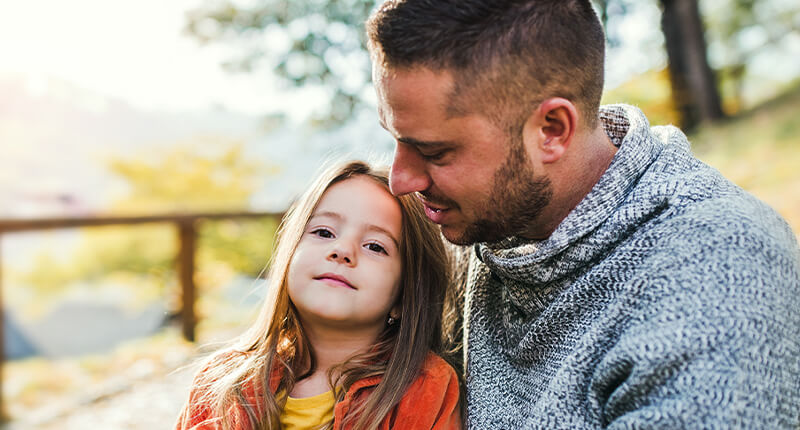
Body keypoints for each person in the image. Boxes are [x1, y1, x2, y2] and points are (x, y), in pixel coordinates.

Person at [366, 0, 800, 428]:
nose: (401, 180)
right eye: (396, 139)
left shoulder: (717, 281)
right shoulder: (484, 223)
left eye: (434, 151)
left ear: (552, 129)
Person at [175, 161, 462, 430]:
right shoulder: (221, 383)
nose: (342, 251)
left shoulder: (426, 389)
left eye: (375, 246)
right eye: (324, 232)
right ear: (289, 255)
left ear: (405, 294)